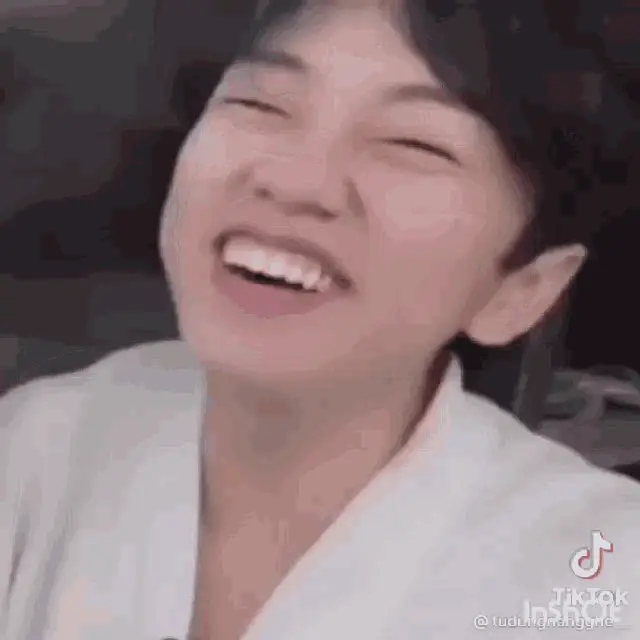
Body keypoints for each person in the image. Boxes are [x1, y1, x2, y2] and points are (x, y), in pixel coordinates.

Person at [1, 1, 639, 638]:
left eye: (414, 143)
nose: (293, 180)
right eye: (260, 103)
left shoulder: (602, 577)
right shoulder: (36, 446)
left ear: (524, 290)